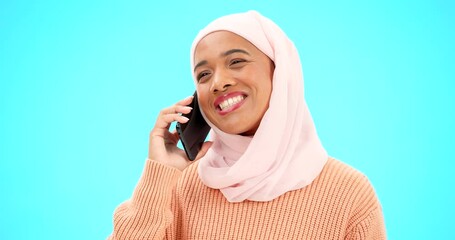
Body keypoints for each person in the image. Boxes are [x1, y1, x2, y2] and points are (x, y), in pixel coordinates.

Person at [108, 10, 386, 239]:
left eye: (236, 61)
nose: (218, 83)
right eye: (204, 74)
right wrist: (160, 177)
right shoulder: (177, 189)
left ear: (280, 72)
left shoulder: (348, 192)